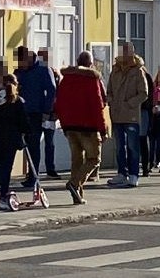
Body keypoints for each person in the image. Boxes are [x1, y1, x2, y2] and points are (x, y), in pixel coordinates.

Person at [52, 50, 107, 205]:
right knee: (94, 159)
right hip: (88, 127)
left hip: (70, 126)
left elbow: (59, 103)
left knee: (76, 160)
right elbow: (97, 105)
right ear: (90, 64)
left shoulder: (66, 79)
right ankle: (75, 184)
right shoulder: (91, 79)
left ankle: (77, 195)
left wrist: (64, 125)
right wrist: (102, 129)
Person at [106, 41, 148, 187]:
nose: (123, 54)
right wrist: (110, 100)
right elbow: (109, 90)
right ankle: (121, 173)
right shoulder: (115, 70)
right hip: (116, 114)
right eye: (122, 51)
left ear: (132, 53)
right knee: (119, 146)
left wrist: (130, 103)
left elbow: (144, 93)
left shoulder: (138, 70)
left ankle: (134, 174)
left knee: (132, 146)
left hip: (131, 115)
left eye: (126, 51)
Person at [0, 70, 26, 211]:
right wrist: (26, 133)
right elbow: (23, 122)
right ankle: (3, 195)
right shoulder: (17, 101)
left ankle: (2, 190)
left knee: (0, 166)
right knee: (7, 168)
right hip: (12, 138)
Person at [15, 47, 57, 186]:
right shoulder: (20, 71)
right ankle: (31, 174)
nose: (20, 65)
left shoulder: (43, 69)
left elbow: (51, 90)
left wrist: (47, 110)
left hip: (36, 112)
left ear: (28, 57)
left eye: (21, 61)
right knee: (26, 144)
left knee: (34, 144)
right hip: (22, 112)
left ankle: (34, 176)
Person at [38, 49, 61, 178]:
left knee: (49, 143)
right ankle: (34, 169)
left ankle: (50, 168)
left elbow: (57, 94)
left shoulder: (54, 73)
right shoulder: (35, 72)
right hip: (38, 112)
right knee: (35, 142)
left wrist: (56, 111)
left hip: (50, 113)